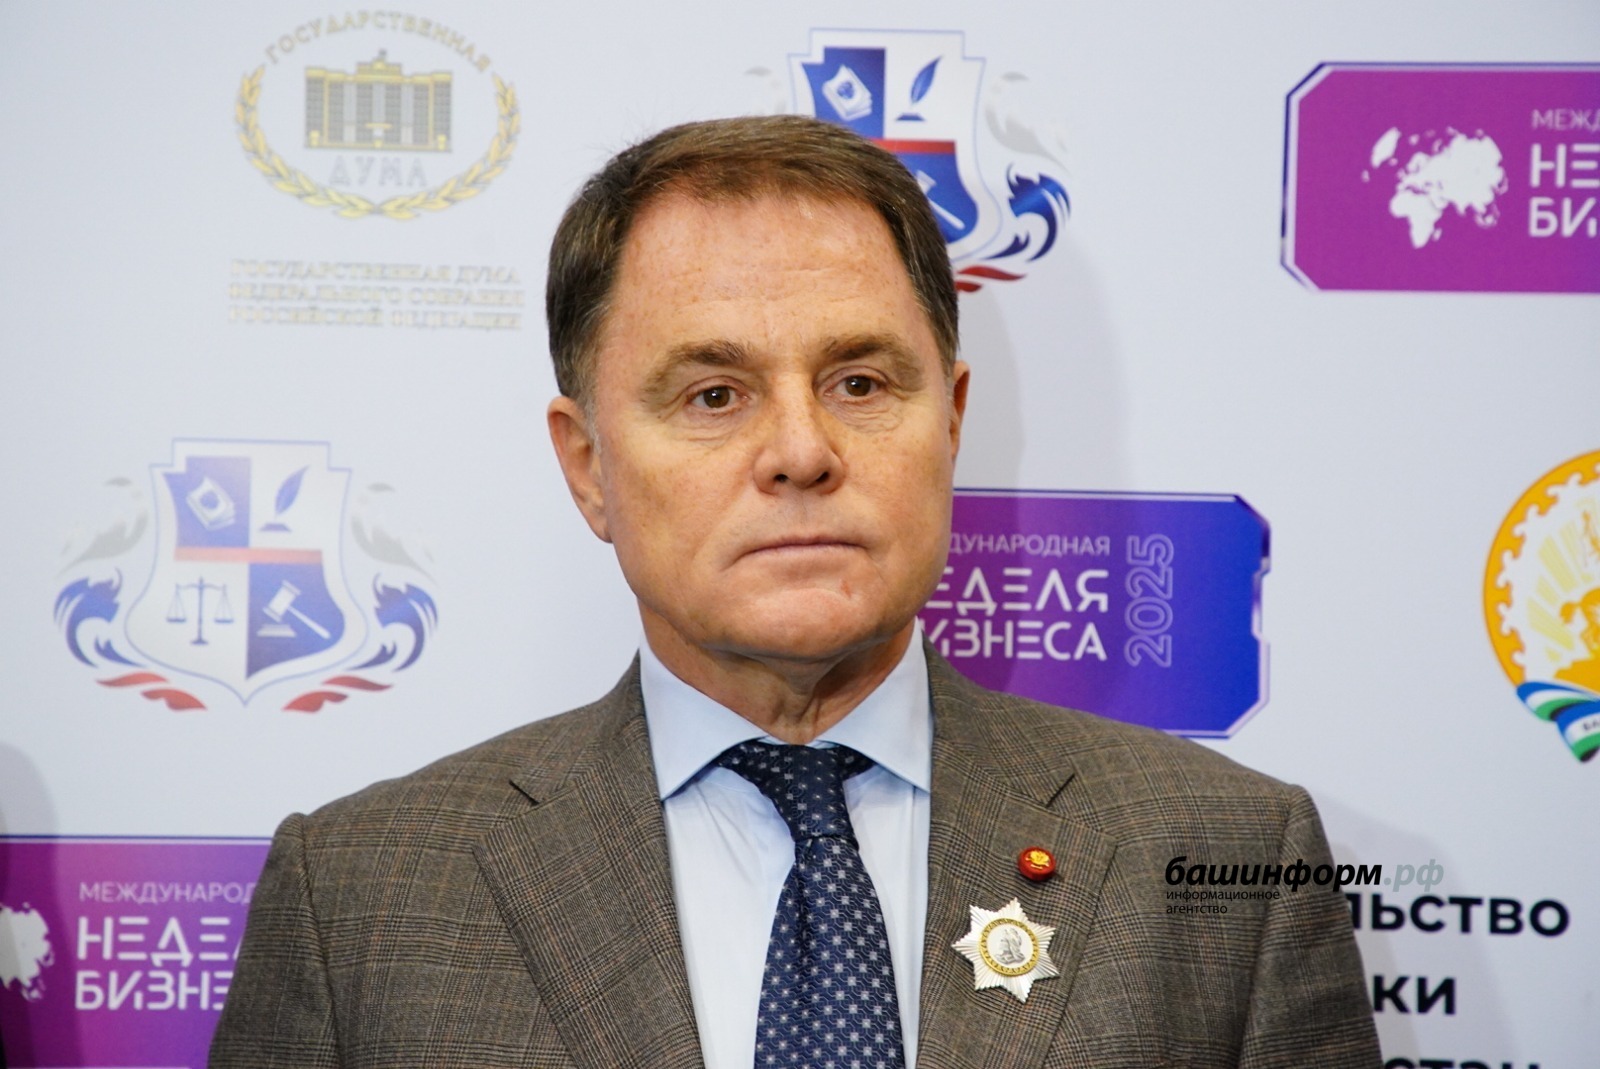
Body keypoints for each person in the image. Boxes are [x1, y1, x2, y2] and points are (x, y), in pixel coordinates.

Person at [210, 115, 1380, 1068]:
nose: (802, 452)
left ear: (950, 423)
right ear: (588, 467)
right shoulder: (359, 895)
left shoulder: (1230, 858)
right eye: (712, 395)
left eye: (860, 382)